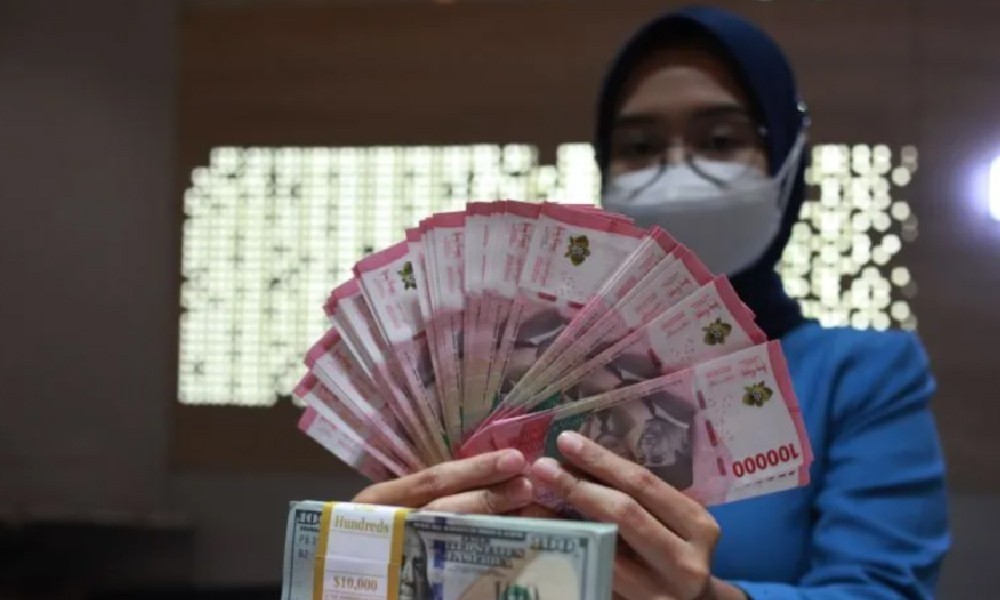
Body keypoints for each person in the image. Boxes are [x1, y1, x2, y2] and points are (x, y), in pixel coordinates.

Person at [354, 6, 950, 599]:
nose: (675, 170)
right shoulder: (503, 374)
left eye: (720, 140)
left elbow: (882, 589)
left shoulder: (861, 375)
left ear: (789, 161)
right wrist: (377, 569)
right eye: (638, 146)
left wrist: (710, 599)